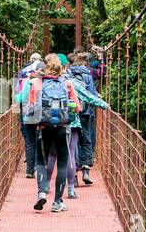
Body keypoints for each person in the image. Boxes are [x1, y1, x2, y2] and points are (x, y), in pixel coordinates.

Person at [16, 54, 79, 213]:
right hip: (63, 128)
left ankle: (42, 192)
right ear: (60, 68)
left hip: (43, 128)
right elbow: (77, 108)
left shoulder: (36, 83)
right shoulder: (67, 83)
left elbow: (30, 107)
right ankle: (57, 202)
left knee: (41, 161)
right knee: (63, 162)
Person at [66, 53, 108, 190]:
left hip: (72, 114)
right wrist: (102, 103)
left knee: (74, 144)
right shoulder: (88, 75)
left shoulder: (68, 75)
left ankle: (75, 176)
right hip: (86, 113)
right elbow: (90, 94)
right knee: (87, 140)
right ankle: (86, 171)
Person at [14, 53, 43, 177]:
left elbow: (20, 99)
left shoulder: (29, 82)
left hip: (28, 115)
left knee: (30, 142)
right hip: (42, 117)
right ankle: (38, 168)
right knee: (40, 141)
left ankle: (29, 171)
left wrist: (15, 98)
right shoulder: (47, 82)